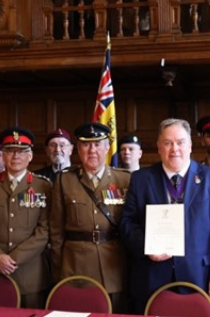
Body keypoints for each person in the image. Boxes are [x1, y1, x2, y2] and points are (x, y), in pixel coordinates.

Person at [120, 118, 210, 314]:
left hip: (199, 276)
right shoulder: (141, 179)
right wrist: (147, 247)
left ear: (190, 146)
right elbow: (126, 223)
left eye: (180, 142)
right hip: (151, 277)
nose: (175, 149)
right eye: (168, 143)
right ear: (158, 147)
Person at [50, 122, 131, 312]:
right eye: (86, 145)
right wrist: (58, 269)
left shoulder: (125, 179)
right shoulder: (64, 180)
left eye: (97, 144)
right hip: (75, 267)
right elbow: (55, 231)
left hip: (114, 267)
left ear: (107, 147)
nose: (92, 150)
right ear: (78, 148)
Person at [0, 127, 52, 308]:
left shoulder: (43, 186)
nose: (16, 156)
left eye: (22, 151)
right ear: (2, 155)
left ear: (30, 156)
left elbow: (45, 229)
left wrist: (14, 258)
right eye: (9, 151)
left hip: (30, 274)